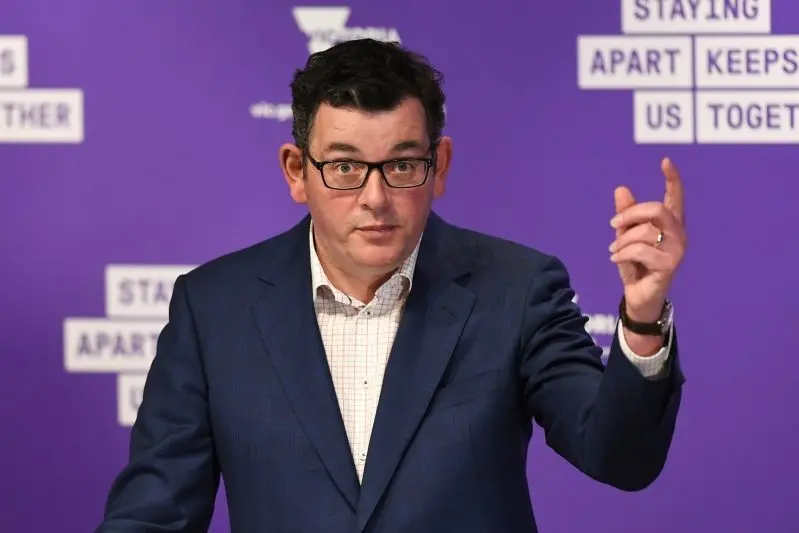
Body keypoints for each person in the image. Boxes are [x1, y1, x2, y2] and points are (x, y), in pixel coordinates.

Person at [96, 38, 687, 533]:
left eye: (402, 165)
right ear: (297, 172)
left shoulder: (517, 288)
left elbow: (620, 457)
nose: (375, 199)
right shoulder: (214, 308)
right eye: (345, 167)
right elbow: (155, 514)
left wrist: (640, 318)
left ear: (441, 166)